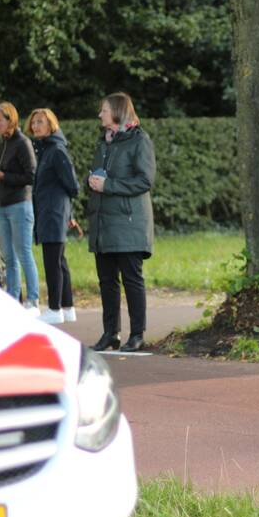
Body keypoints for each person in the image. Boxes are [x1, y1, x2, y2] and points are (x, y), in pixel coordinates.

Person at [87, 92, 156, 353]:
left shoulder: (140, 141)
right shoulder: (103, 143)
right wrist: (92, 181)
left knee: (131, 279)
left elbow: (145, 180)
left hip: (129, 223)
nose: (100, 115)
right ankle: (110, 333)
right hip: (103, 223)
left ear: (117, 111)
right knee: (106, 280)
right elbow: (101, 177)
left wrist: (109, 185)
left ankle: (137, 334)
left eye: (103, 110)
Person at [0, 101, 41, 315]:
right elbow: (3, 173)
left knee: (24, 253)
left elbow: (30, 175)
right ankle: (13, 298)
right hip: (4, 206)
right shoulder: (4, 142)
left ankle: (34, 300)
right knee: (9, 256)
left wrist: (2, 176)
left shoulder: (22, 142)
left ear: (10, 120)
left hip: (20, 205)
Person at [29, 108, 81, 325]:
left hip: (54, 212)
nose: (35, 126)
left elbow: (73, 185)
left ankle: (54, 308)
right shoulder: (45, 150)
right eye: (33, 123)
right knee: (59, 261)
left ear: (51, 124)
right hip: (51, 211)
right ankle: (67, 308)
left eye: (40, 122)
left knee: (52, 260)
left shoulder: (56, 151)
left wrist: (64, 209)